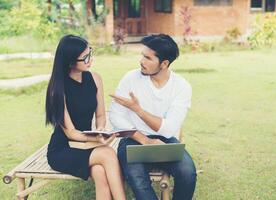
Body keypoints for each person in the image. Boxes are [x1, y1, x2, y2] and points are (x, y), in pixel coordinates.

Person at [109, 34, 197, 200]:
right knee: (137, 179)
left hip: (165, 140)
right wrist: (143, 139)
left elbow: (169, 128)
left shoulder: (181, 86)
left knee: (188, 172)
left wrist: (138, 110)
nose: (141, 61)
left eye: (148, 58)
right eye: (142, 55)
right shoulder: (130, 78)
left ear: (164, 64)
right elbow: (115, 115)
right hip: (133, 138)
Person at [46, 35, 126, 200]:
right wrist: (98, 140)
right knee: (108, 153)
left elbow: (101, 115)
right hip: (63, 149)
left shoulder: (95, 78)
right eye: (85, 57)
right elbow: (71, 133)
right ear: (70, 61)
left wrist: (101, 130)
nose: (91, 59)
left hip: (86, 144)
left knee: (99, 171)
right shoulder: (58, 89)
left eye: (90, 53)